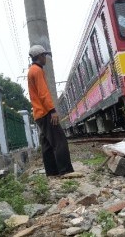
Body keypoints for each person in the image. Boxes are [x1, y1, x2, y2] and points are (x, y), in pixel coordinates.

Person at [27, 45, 74, 177]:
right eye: (45, 55)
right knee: (60, 141)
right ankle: (65, 171)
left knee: (47, 144)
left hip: (38, 114)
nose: (46, 58)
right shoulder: (37, 71)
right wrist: (52, 110)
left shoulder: (32, 70)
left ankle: (52, 172)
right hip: (45, 112)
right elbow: (43, 93)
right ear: (40, 56)